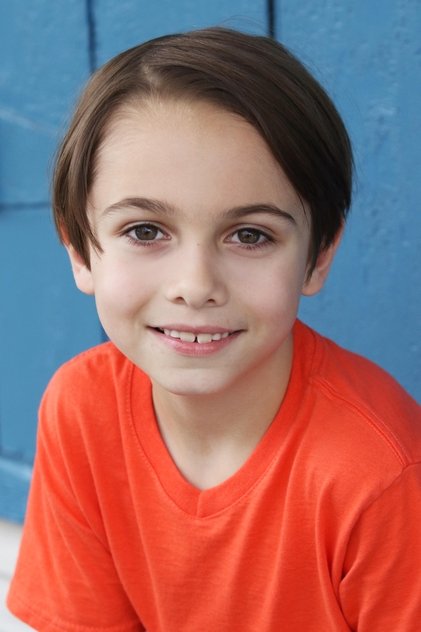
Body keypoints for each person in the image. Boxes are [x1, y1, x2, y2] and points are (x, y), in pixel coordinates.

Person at [7, 27, 421, 631]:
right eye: (145, 231)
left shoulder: (381, 474)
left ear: (318, 257)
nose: (195, 284)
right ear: (80, 250)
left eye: (249, 235)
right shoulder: (82, 409)